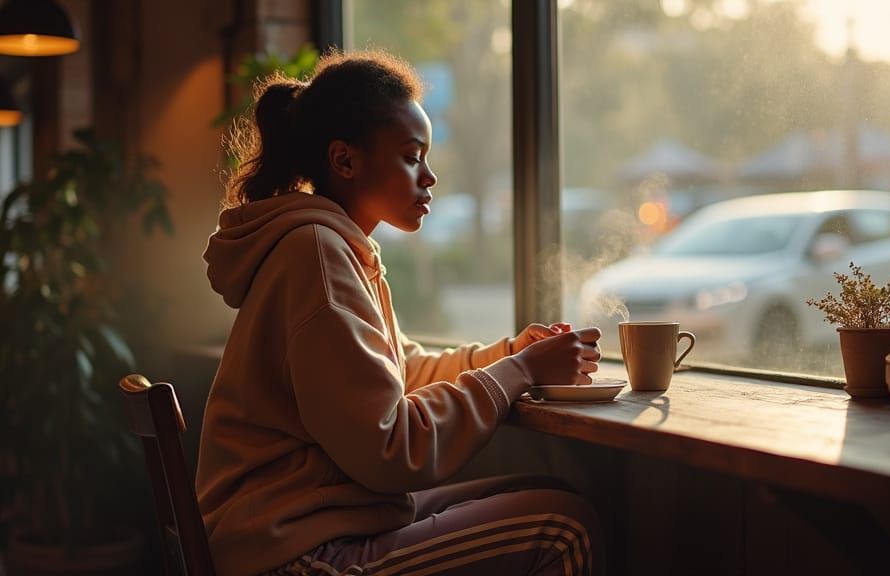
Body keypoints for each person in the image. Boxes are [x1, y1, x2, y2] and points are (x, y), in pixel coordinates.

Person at [196, 48, 605, 576]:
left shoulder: (334, 247)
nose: (429, 176)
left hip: (310, 524)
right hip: (288, 554)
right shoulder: (316, 254)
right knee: (562, 527)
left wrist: (512, 353)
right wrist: (521, 372)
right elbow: (391, 448)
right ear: (345, 161)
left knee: (538, 491)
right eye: (413, 156)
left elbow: (400, 374)